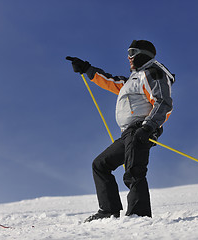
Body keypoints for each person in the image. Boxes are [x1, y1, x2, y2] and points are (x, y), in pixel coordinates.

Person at [66, 40, 175, 222]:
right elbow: (111, 81)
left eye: (132, 51)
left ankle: (138, 215)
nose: (129, 57)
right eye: (128, 52)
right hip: (128, 133)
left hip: (142, 129)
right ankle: (108, 210)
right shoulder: (133, 79)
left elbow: (163, 102)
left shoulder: (152, 73)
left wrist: (148, 127)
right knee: (100, 164)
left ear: (144, 53)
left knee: (134, 171)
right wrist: (86, 68)